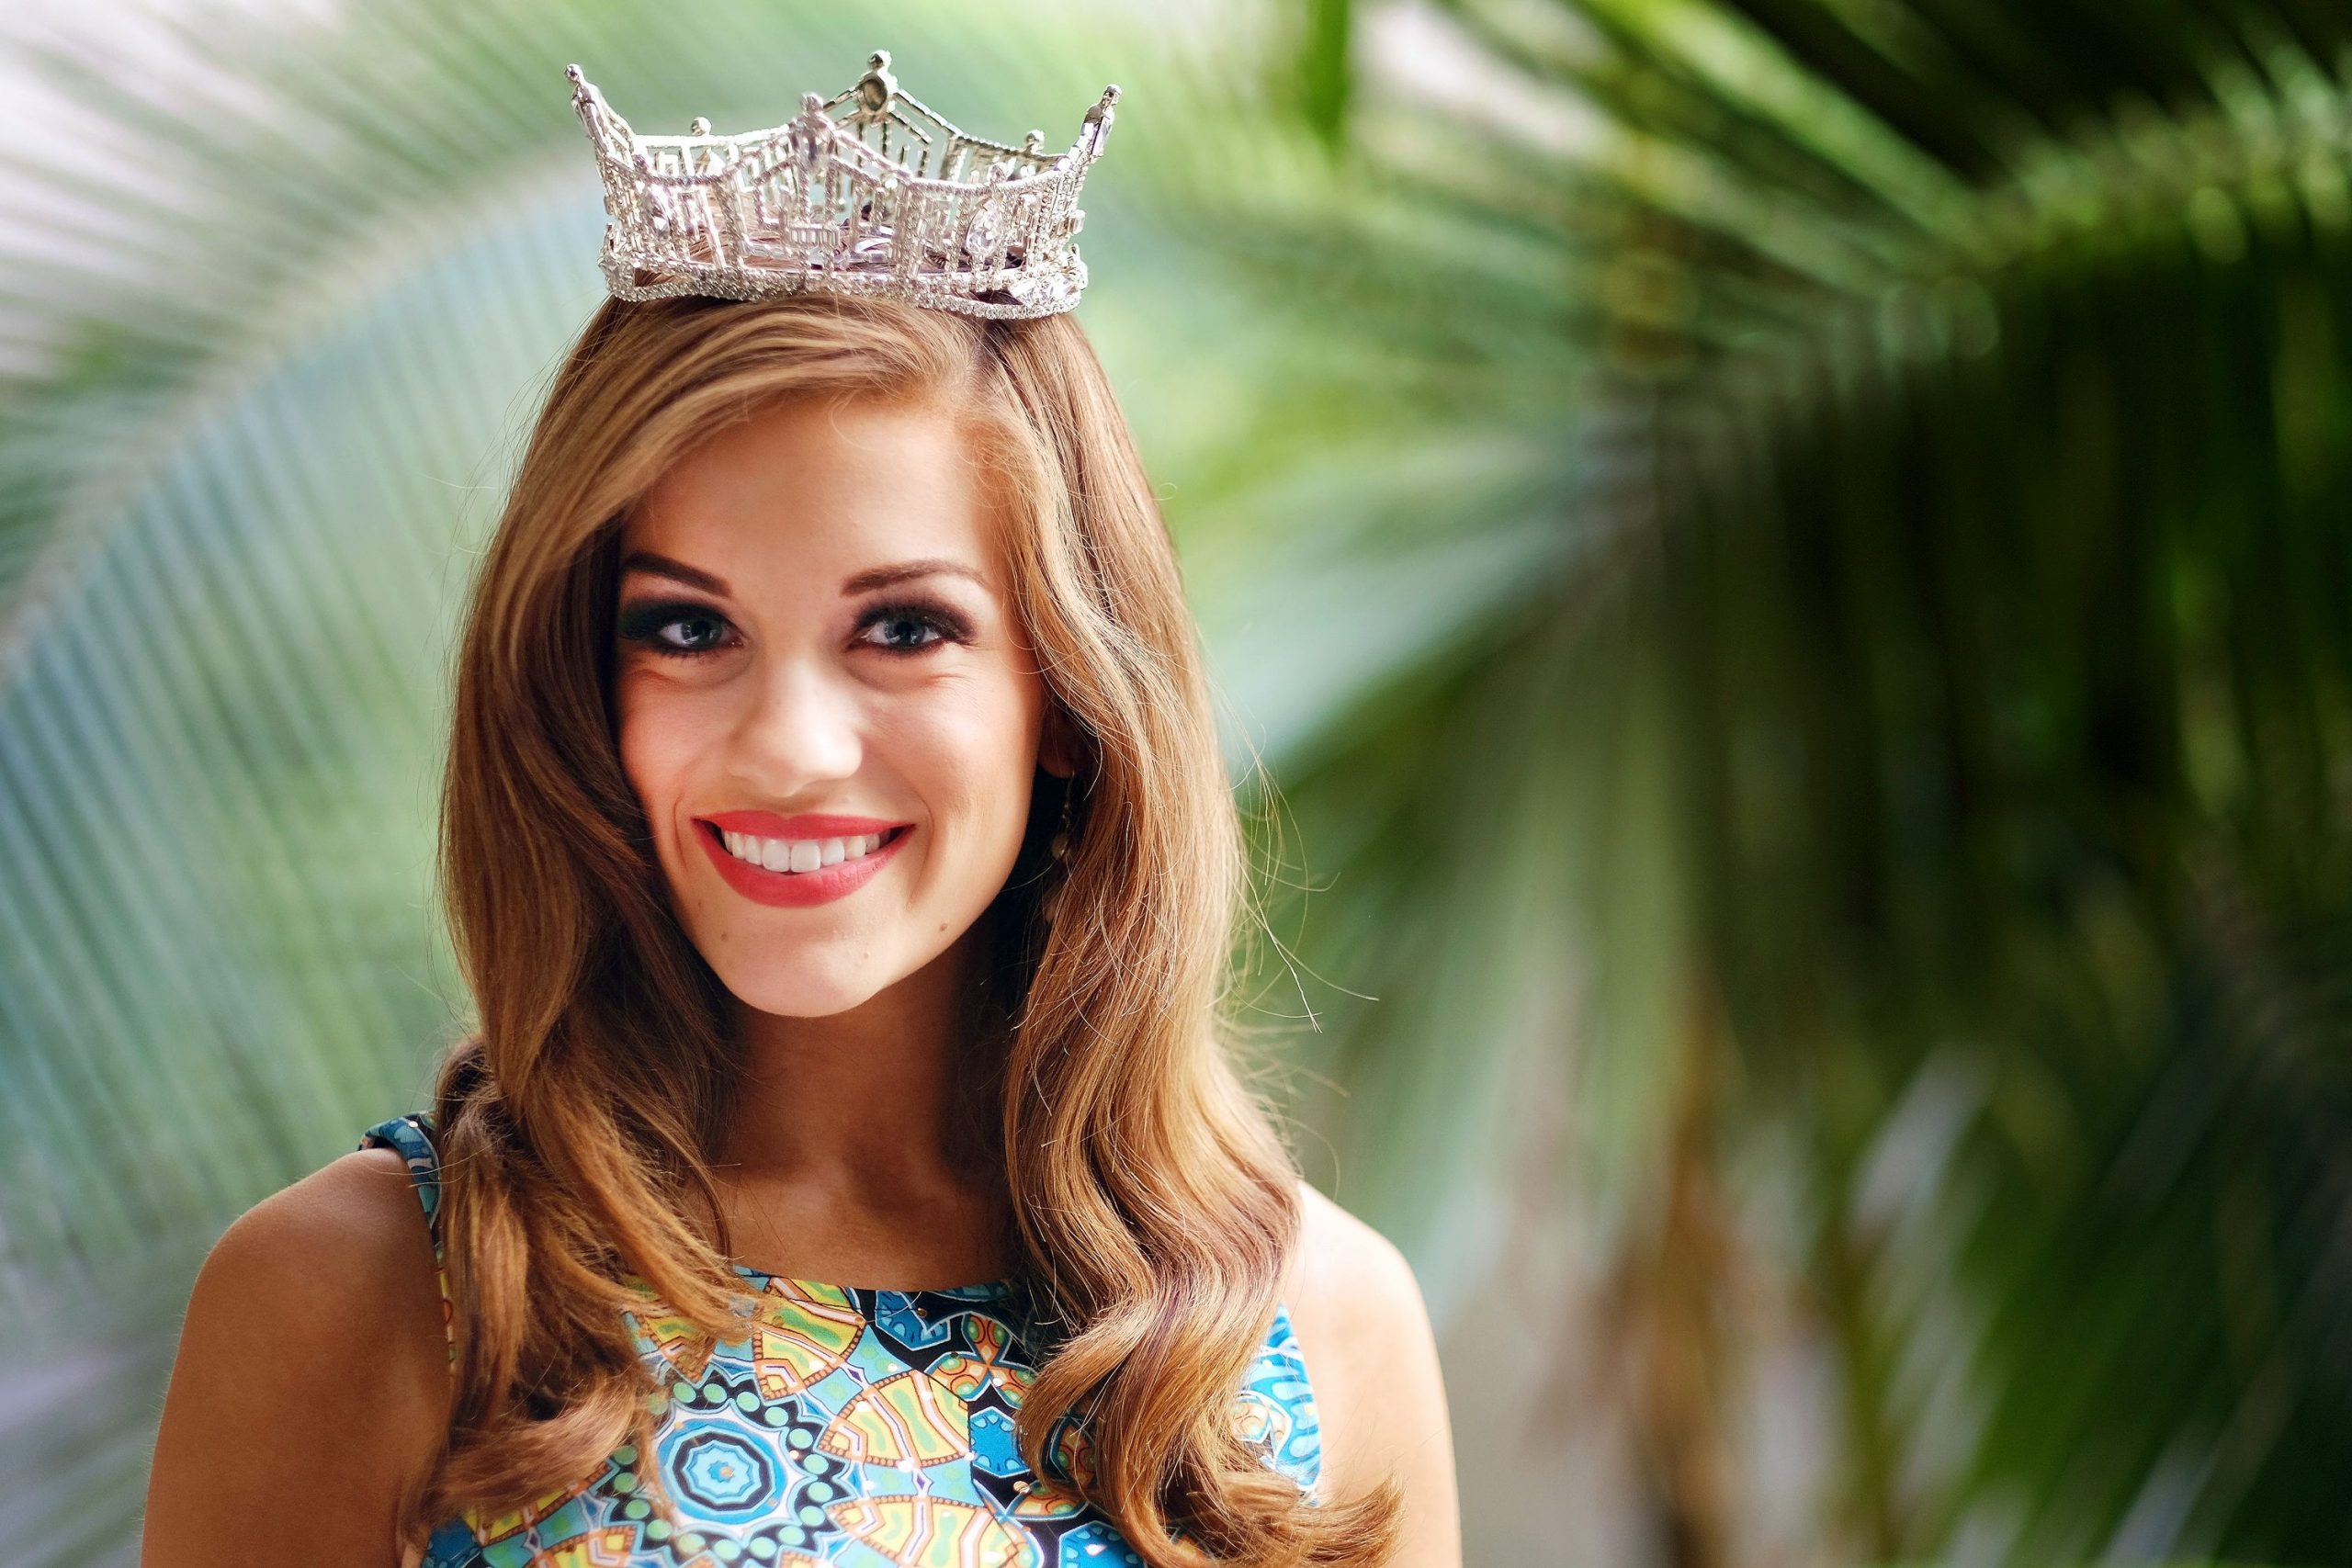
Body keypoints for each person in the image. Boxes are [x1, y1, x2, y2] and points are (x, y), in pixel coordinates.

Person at [140, 288, 1458, 1564]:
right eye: (688, 627)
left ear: (1064, 690)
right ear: (583, 688)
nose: (789, 750)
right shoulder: (361, 1298)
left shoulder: (1320, 1321)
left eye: (901, 628)